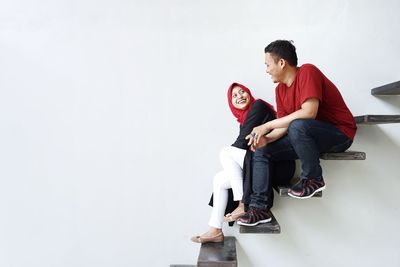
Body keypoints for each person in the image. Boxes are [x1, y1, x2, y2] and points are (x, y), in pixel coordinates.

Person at [237, 40, 357, 226]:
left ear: (282, 63)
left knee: (298, 125)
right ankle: (259, 208)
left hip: (340, 133)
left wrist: (266, 126)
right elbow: (284, 126)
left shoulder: (307, 71)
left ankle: (313, 179)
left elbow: (309, 112)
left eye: (268, 65)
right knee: (262, 150)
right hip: (306, 136)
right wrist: (266, 139)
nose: (266, 70)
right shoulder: (280, 90)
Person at [191, 82, 277, 243]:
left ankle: (242, 204)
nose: (239, 97)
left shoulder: (258, 107)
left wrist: (232, 160)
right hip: (257, 163)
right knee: (219, 179)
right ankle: (215, 230)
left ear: (249, 93)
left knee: (226, 152)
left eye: (242, 92)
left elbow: (242, 143)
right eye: (234, 96)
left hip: (272, 163)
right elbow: (244, 145)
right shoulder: (243, 120)